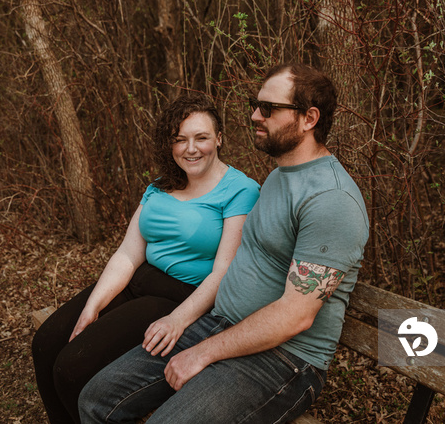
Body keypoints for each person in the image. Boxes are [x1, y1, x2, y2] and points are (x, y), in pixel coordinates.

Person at [78, 63, 370, 424]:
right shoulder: (281, 175)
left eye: (268, 108)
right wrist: (186, 322)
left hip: (284, 359)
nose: (254, 115)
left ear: (309, 118)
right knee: (95, 398)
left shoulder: (331, 200)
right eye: (255, 103)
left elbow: (295, 317)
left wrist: (203, 353)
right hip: (220, 323)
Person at [32, 94, 260, 424]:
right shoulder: (160, 185)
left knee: (72, 369)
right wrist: (93, 306)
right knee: (46, 343)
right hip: (139, 281)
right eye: (180, 139)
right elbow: (128, 253)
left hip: (178, 297)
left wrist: (179, 319)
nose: (190, 148)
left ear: (219, 138)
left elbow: (225, 271)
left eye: (201, 137)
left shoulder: (240, 190)